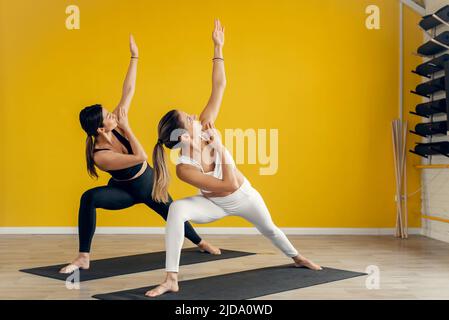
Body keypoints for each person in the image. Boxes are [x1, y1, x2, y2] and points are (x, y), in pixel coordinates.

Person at [146, 19, 322, 297]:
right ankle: (171, 278)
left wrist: (218, 47)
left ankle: (297, 257)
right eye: (189, 118)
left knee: (271, 230)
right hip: (215, 203)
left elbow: (220, 85)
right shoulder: (183, 167)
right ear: (182, 136)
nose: (195, 116)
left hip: (246, 197)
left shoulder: (205, 127)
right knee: (177, 210)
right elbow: (226, 185)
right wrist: (222, 146)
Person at [60, 34, 220, 274]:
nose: (114, 114)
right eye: (109, 116)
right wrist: (127, 127)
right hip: (124, 191)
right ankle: (83, 256)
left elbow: (129, 90)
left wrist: (134, 57)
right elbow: (140, 157)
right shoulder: (100, 155)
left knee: (173, 212)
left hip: (148, 184)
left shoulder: (113, 124)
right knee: (88, 198)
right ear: (101, 129)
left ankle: (201, 242)